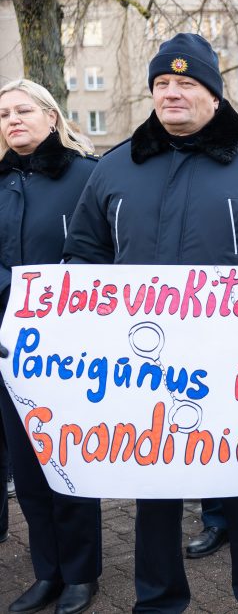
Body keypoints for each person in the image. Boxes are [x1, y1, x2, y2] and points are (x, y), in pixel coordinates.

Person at [60, 33, 238, 612]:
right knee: (153, 498)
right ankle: (158, 602)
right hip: (146, 370)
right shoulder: (114, 170)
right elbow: (81, 263)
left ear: (214, 93)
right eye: (162, 84)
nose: (172, 93)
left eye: (187, 83)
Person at [0, 79, 102, 614]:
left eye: (22, 110)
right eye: (3, 115)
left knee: (68, 462)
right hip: (9, 349)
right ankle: (48, 572)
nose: (12, 120)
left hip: (71, 348)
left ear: (50, 114)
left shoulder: (87, 176)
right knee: (26, 462)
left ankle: (82, 573)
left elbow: (106, 253)